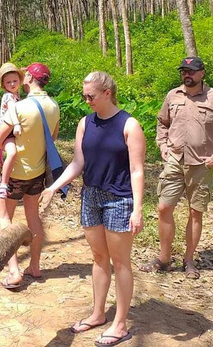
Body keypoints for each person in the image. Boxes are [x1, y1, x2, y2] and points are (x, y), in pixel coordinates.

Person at [40, 71, 145, 347]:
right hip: (91, 196)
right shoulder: (85, 123)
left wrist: (138, 209)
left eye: (91, 96)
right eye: (85, 95)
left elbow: (137, 170)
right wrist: (54, 187)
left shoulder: (129, 125)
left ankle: (120, 323)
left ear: (107, 93)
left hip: (119, 198)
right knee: (99, 257)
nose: (87, 100)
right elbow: (78, 163)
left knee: (120, 261)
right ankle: (98, 313)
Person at [140, 56, 213, 279]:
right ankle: (163, 259)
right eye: (184, 71)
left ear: (202, 73)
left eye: (191, 71)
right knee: (164, 207)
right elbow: (162, 122)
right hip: (174, 159)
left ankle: (189, 260)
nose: (187, 75)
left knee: (195, 212)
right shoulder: (173, 95)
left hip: (201, 164)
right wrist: (162, 144)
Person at [0, 62, 59, 288]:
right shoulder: (54, 106)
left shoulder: (20, 108)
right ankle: (35, 266)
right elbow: (54, 137)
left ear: (29, 77)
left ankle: (13, 272)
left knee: (5, 218)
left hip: (15, 173)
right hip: (38, 173)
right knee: (33, 217)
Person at [0, 63, 24, 199]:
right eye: (8, 82)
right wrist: (17, 124)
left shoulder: (17, 95)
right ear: (3, 85)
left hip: (14, 131)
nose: (12, 84)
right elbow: (12, 110)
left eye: (15, 81)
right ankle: (3, 184)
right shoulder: (8, 96)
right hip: (8, 131)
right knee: (12, 154)